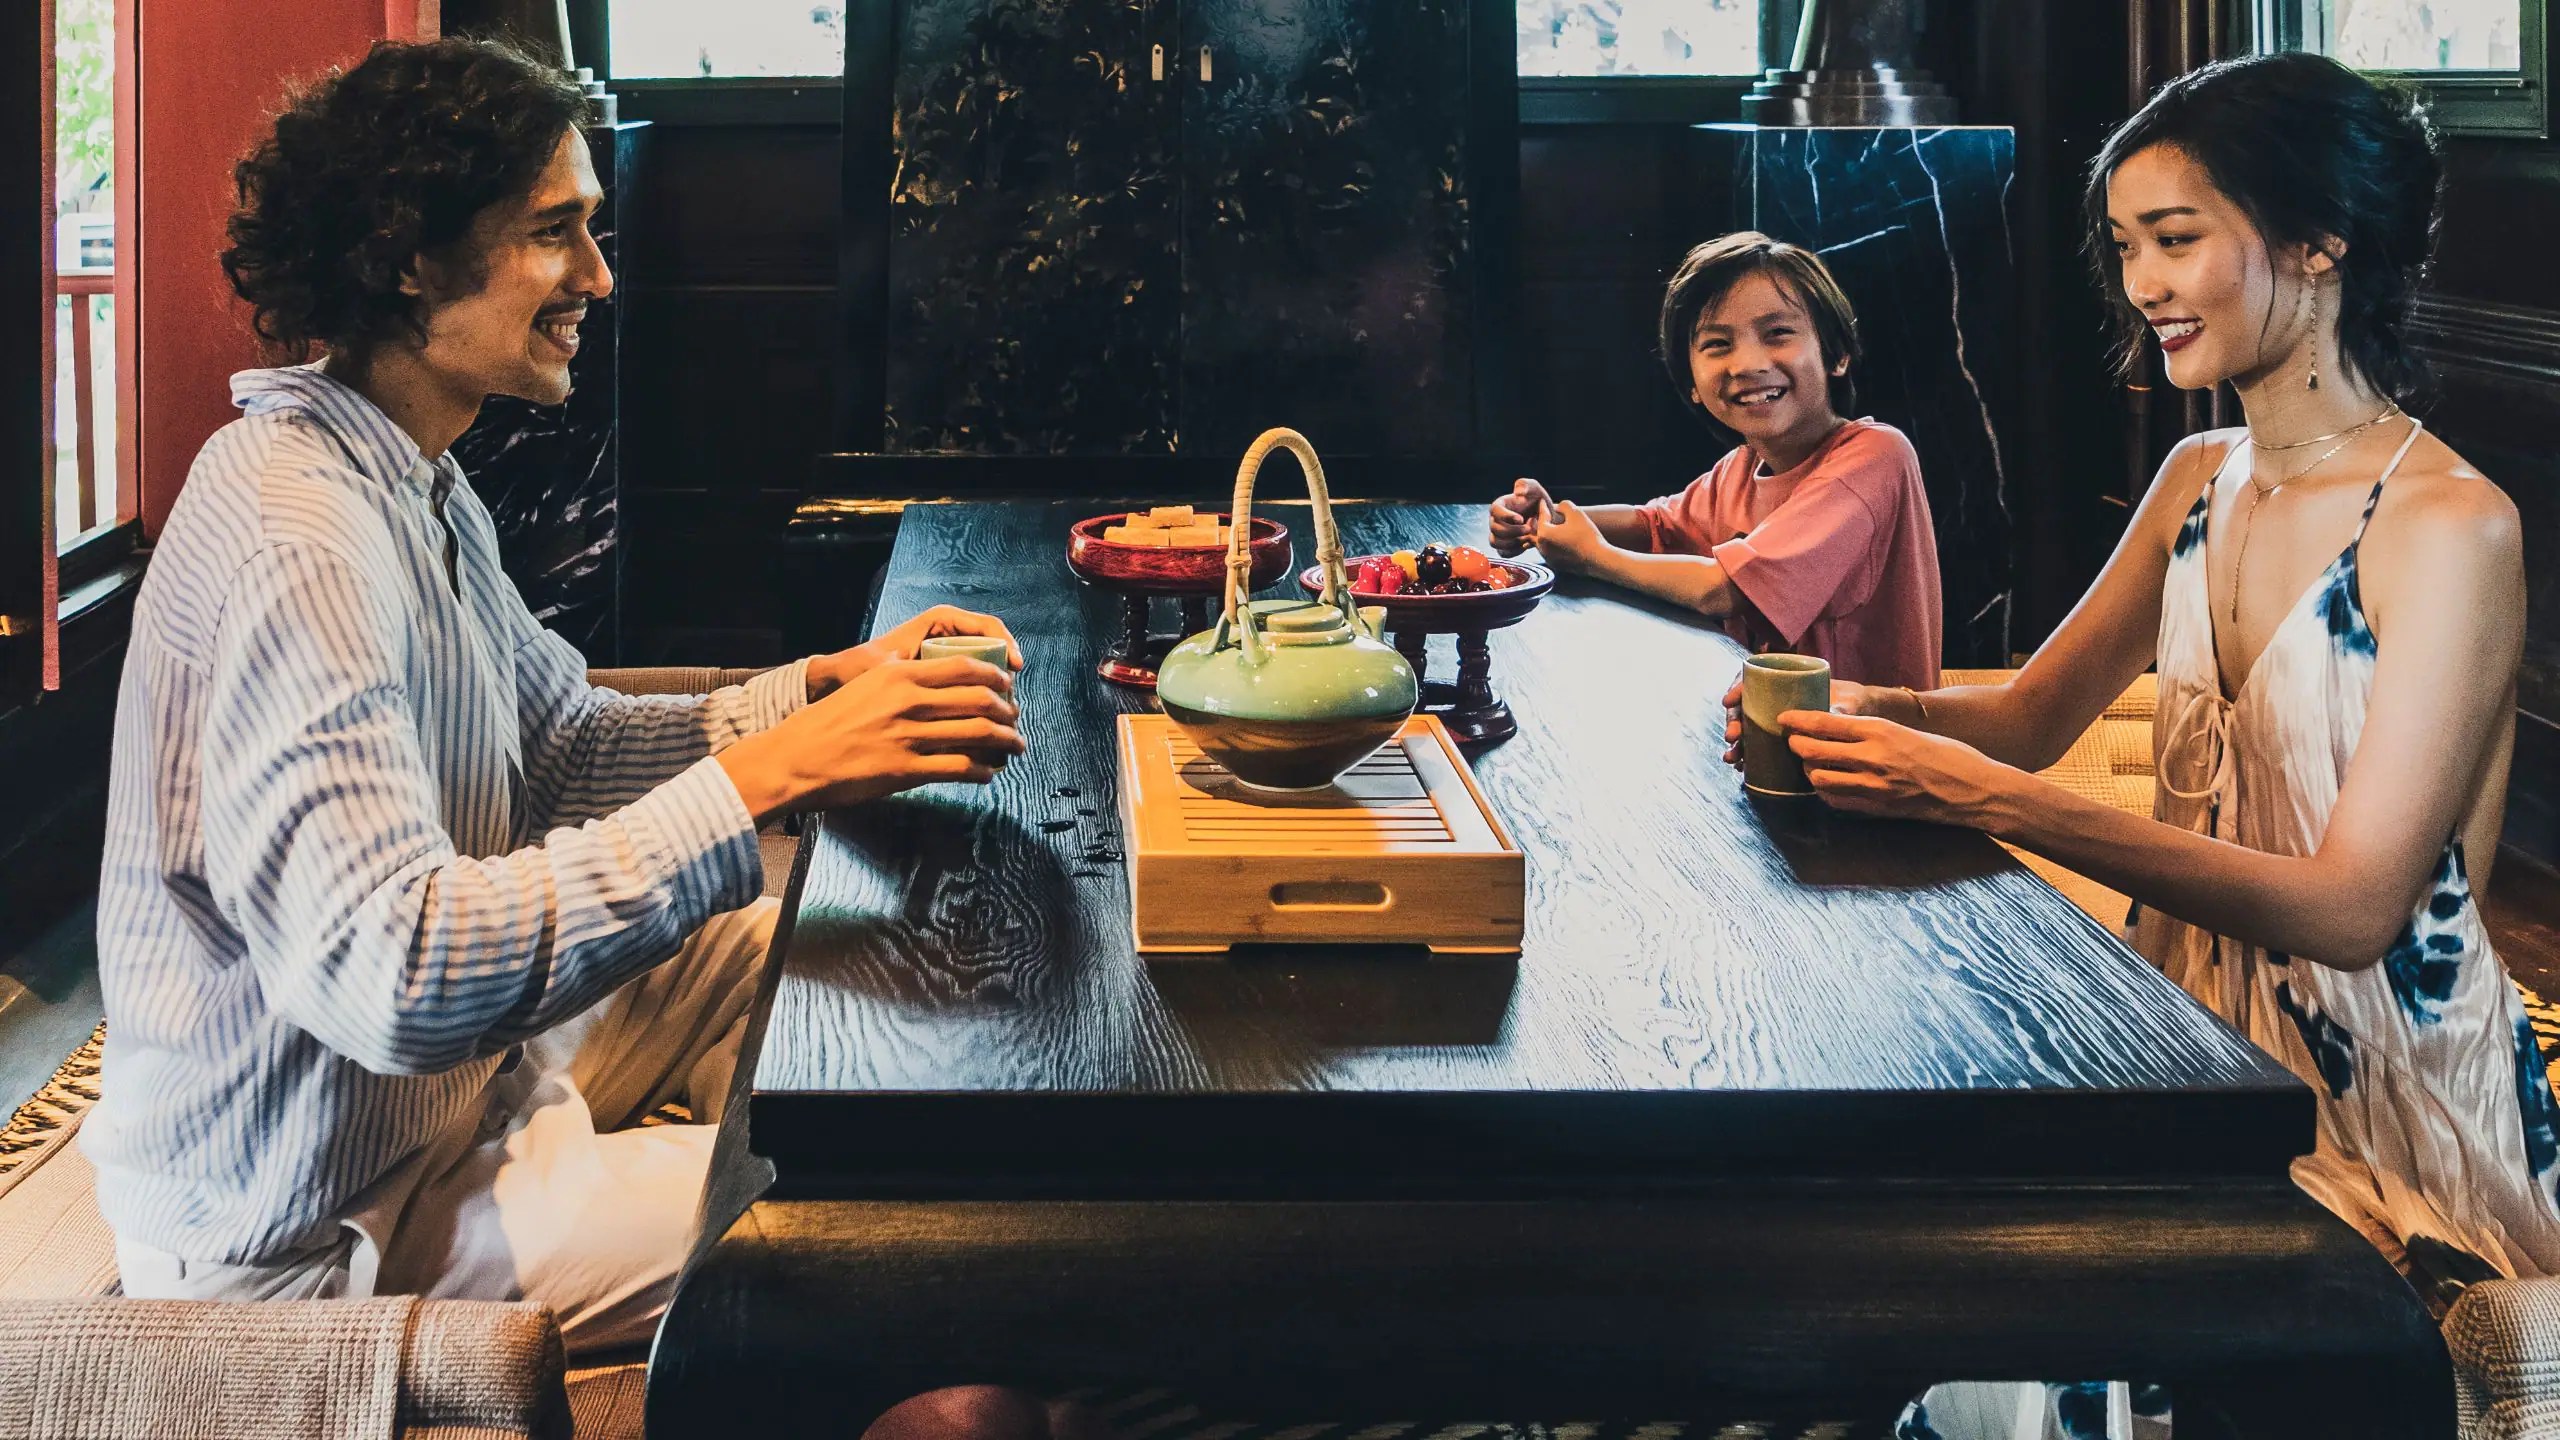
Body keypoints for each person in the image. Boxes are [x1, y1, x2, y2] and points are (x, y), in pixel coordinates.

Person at [83, 35, 1037, 1414]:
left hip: (466, 1099)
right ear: (407, 258)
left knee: (849, 964)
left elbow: (555, 747)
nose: (598, 276)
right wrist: (764, 778)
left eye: (592, 230)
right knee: (892, 1233)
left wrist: (814, 695)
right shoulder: (296, 535)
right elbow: (394, 976)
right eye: (554, 233)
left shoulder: (408, 472)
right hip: (323, 1225)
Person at [1727, 51, 2560, 1439]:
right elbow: (2026, 720)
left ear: (2315, 240)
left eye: (2176, 240)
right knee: (1900, 1255)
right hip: (2192, 1044)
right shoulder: (2195, 477)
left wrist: (1991, 801)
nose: (2141, 286)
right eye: (2126, 247)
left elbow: (2357, 913)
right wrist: (1854, 713)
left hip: (2392, 1103)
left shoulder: (2449, 526)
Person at [1489, 231, 1944, 692]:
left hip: (1867, 750)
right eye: (1717, 345)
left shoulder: (1875, 455)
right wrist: (1551, 519)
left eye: (1778, 333)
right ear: (1691, 382)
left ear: (1837, 353)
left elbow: (1725, 589)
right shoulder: (1742, 468)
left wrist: (1593, 557)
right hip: (1760, 734)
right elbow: (1656, 526)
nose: (1746, 364)